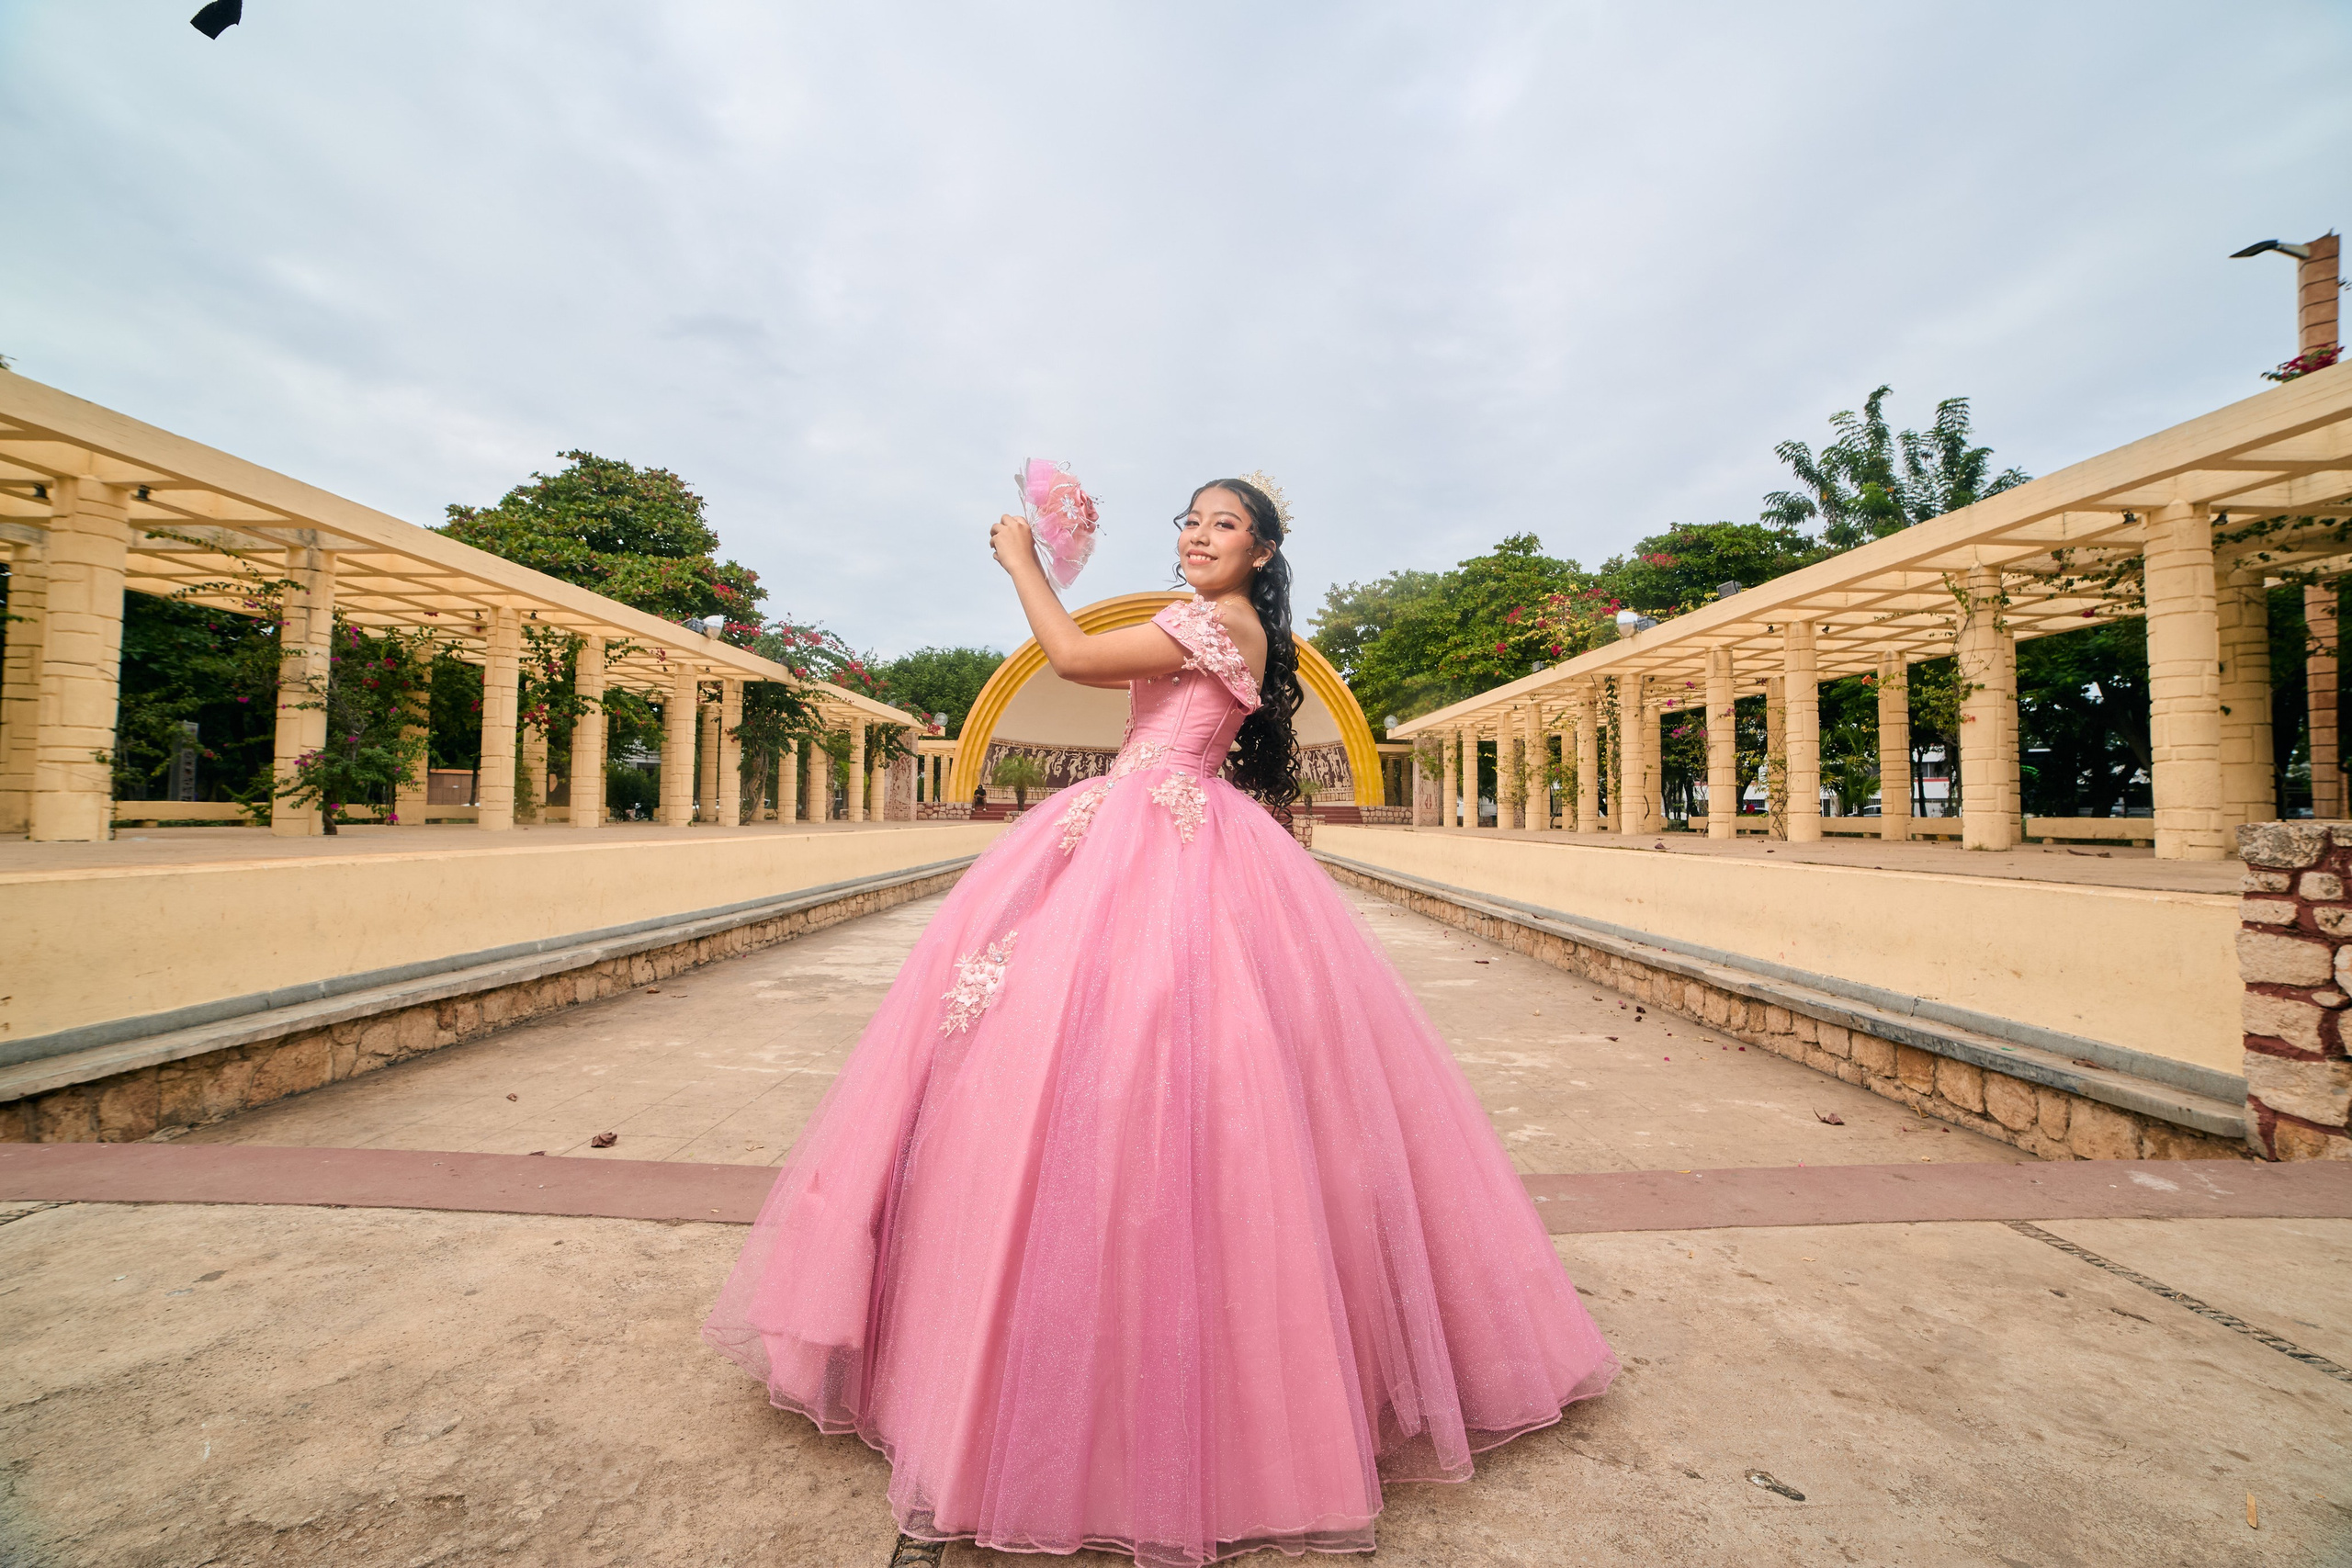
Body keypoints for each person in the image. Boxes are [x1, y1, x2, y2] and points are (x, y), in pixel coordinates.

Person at [704, 477, 1615, 1566]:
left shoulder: (1216, 621)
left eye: (1223, 524)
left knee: (1124, 1060)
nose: (1197, 534)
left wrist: (1020, 565)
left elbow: (1073, 662)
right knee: (1084, 1052)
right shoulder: (1229, 626)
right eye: (1189, 518)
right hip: (1149, 824)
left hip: (1153, 835)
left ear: (1263, 554)